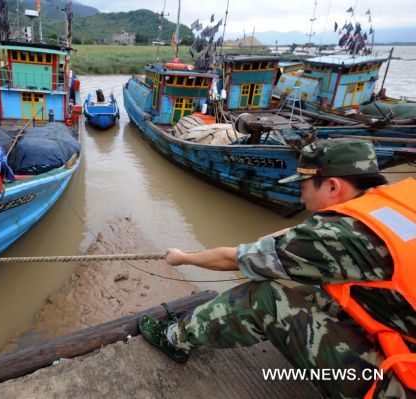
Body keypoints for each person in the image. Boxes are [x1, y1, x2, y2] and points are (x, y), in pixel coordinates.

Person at [139, 138, 416, 398]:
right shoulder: (397, 202)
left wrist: (183, 258)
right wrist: (285, 238)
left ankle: (174, 338)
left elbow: (234, 259)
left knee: (261, 299)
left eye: (304, 188)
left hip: (401, 386)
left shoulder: (336, 237)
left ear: (333, 187)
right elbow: (334, 238)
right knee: (317, 292)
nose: (301, 200)